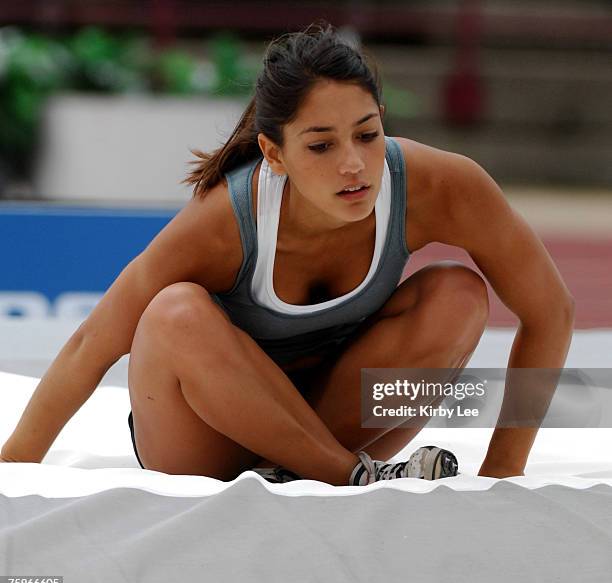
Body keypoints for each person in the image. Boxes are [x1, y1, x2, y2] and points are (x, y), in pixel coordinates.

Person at [0, 21, 574, 485]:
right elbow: (89, 345)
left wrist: (504, 472)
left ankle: (316, 469)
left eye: (368, 134)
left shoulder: (441, 186)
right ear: (274, 154)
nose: (352, 163)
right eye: (321, 145)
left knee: (458, 292)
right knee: (174, 312)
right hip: (209, 441)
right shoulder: (224, 221)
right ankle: (347, 477)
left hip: (341, 420)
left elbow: (551, 312)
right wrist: (14, 466)